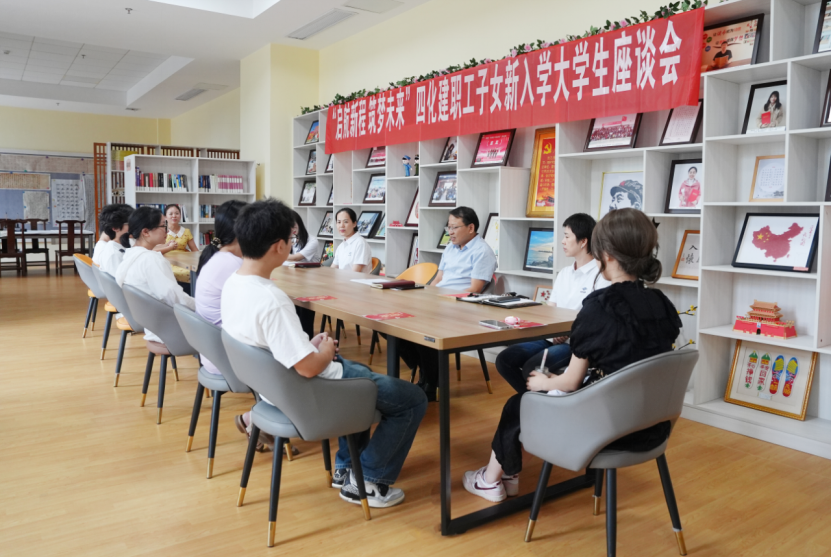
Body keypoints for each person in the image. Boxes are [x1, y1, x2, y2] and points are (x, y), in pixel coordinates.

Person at [463, 208, 682, 503]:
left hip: (608, 429)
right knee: (536, 398)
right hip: (652, 425)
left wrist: (543, 382)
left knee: (522, 403)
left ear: (605, 254)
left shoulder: (599, 306)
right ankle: (507, 474)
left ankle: (491, 480)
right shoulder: (662, 303)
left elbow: (570, 382)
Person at [221, 199, 427, 509]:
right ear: (279, 246)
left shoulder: (234, 284)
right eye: (291, 238)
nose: (292, 243)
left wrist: (310, 345)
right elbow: (308, 368)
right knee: (412, 399)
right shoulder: (271, 299)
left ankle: (346, 468)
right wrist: (325, 350)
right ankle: (368, 481)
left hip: (274, 390)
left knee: (359, 372)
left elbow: (278, 347)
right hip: (311, 390)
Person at [494, 214, 611, 395]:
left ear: (583, 241)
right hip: (550, 336)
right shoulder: (564, 273)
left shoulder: (601, 275)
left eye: (567, 236)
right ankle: (531, 402)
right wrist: (553, 330)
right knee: (504, 359)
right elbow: (551, 308)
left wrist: (566, 331)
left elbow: (595, 319)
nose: (562, 241)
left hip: (574, 343)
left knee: (531, 368)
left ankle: (539, 404)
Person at [399, 207, 498, 400]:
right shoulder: (450, 248)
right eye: (448, 227)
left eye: (454, 227)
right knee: (394, 323)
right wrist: (424, 295)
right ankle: (425, 370)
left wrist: (442, 298)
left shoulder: (482, 251)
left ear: (471, 228)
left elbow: (475, 289)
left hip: (461, 306)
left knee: (424, 328)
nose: (450, 232)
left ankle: (430, 381)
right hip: (439, 301)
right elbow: (438, 279)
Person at [115, 206, 195, 345]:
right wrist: (200, 306)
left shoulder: (130, 255)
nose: (167, 230)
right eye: (163, 226)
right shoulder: (151, 259)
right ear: (146, 232)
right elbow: (175, 297)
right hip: (169, 328)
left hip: (151, 324)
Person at [157, 204, 198, 291]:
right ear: (165, 217)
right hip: (167, 262)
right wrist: (169, 247)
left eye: (177, 213)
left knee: (194, 272)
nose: (174, 216)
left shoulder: (186, 231)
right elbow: (155, 250)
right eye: (170, 214)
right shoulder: (161, 231)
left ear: (180, 215)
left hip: (184, 262)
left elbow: (195, 250)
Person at [330, 208, 372, 273]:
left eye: (345, 222)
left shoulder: (360, 243)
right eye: (339, 222)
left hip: (355, 279)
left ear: (354, 224)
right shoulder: (341, 246)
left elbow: (355, 273)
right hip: (341, 278)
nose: (341, 225)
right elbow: (332, 270)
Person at [96, 204, 134, 275]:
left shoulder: (118, 246)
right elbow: (120, 280)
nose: (135, 226)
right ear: (115, 228)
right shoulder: (114, 254)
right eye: (131, 223)